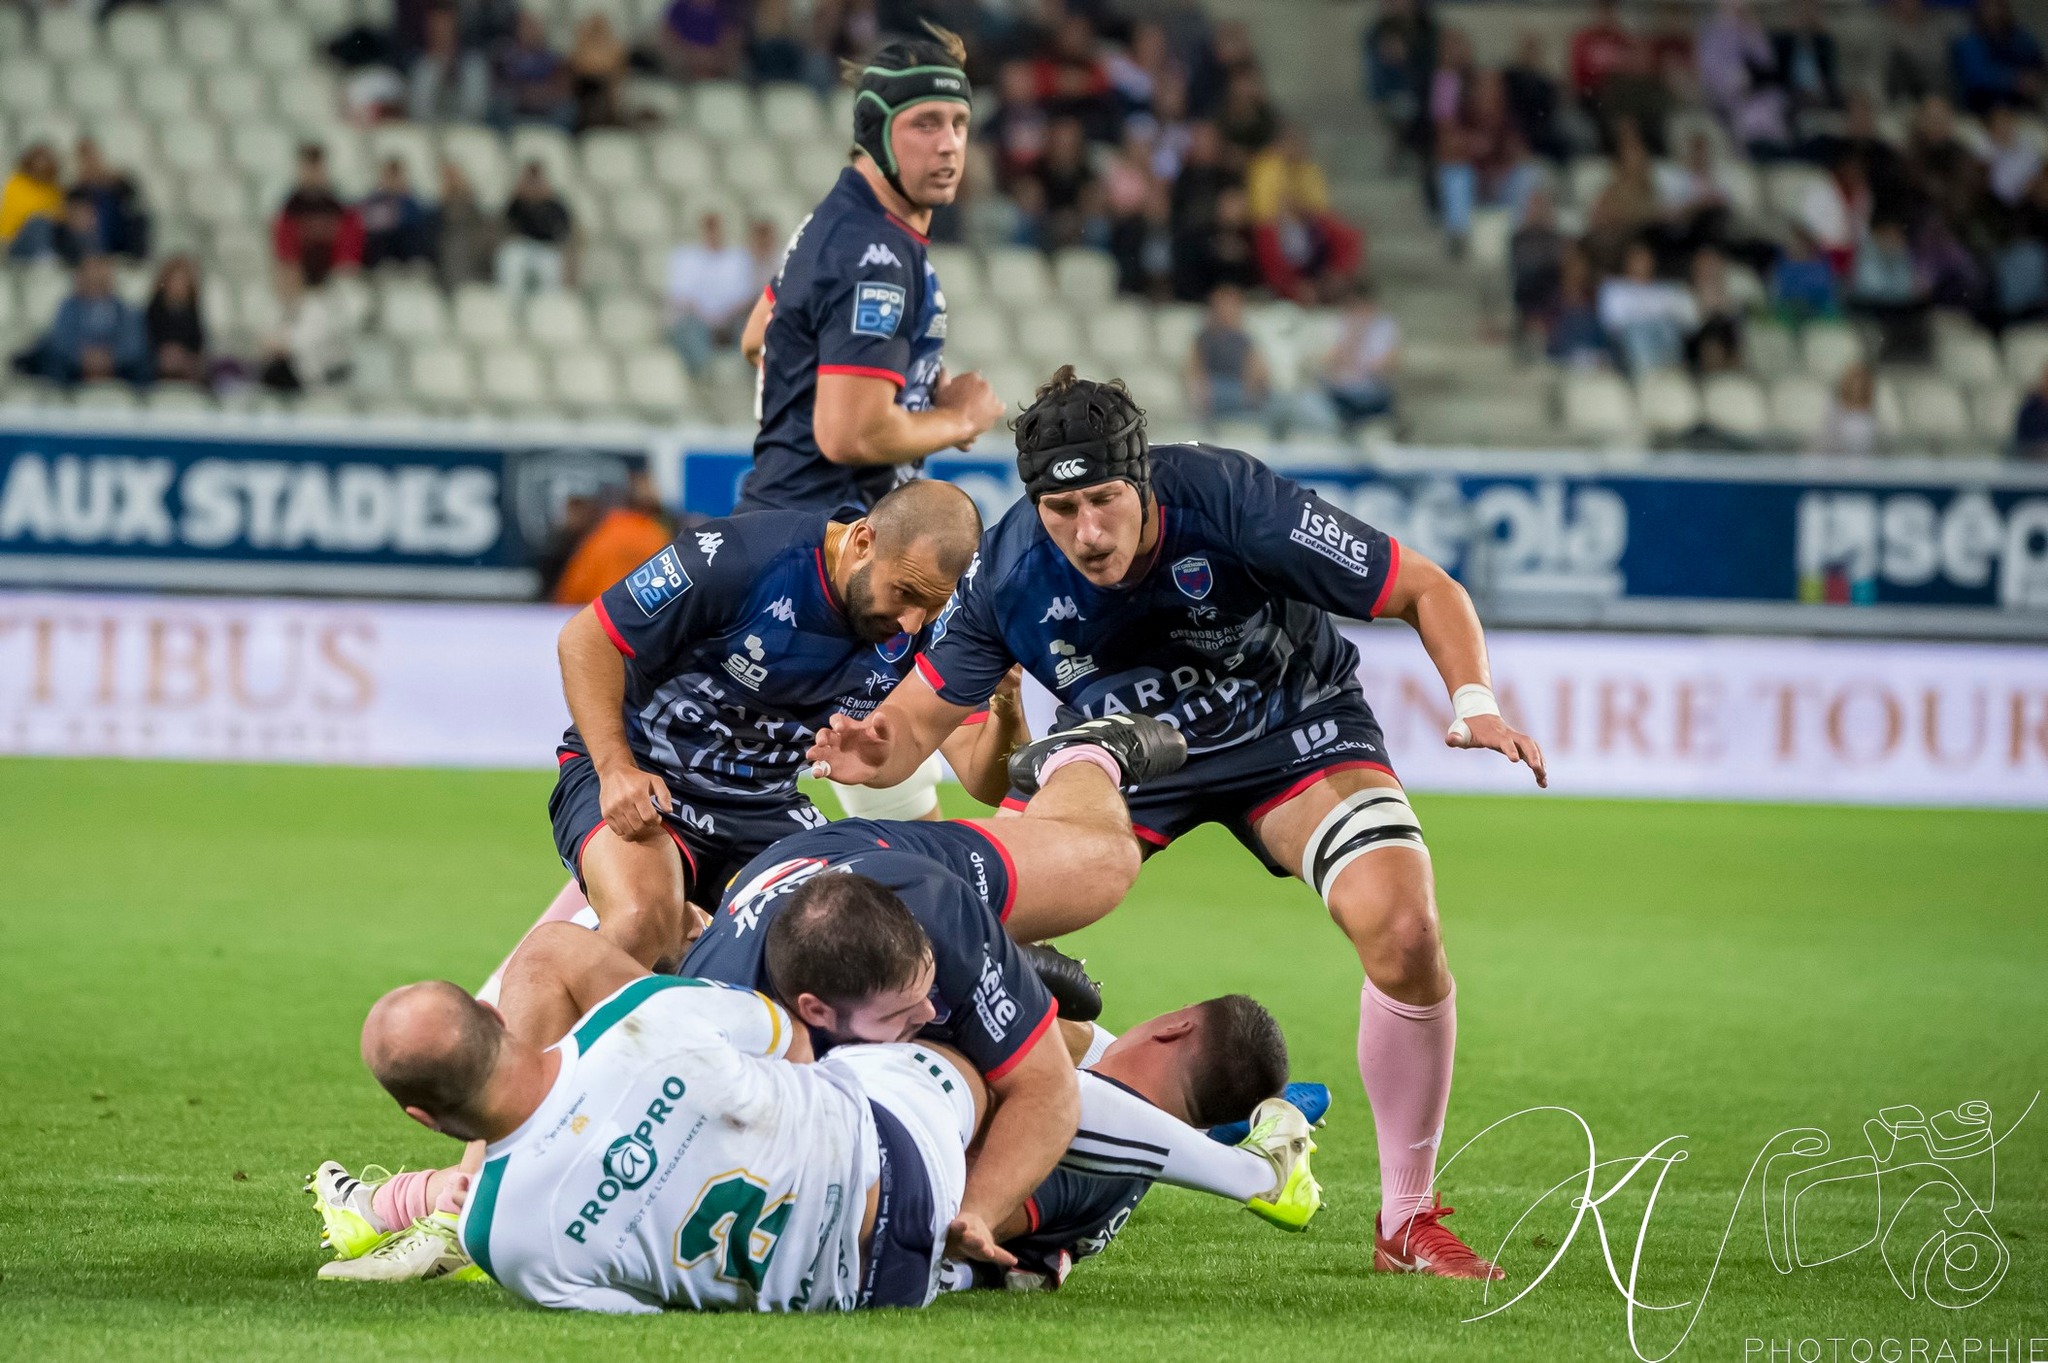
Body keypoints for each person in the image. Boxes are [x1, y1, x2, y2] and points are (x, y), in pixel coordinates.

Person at [810, 366, 1548, 1280]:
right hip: (1115, 754)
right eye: (1061, 506)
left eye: (1105, 500)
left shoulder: (1235, 500)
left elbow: (1425, 588)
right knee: (960, 919)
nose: (1086, 531)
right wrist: (862, 748)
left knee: (1405, 928)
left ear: (1143, 479)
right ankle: (882, 1131)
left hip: (1289, 728)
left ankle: (1406, 1219)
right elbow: (910, 727)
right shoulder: (1007, 569)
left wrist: (1474, 700)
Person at [530, 479, 1015, 979]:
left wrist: (1007, 705)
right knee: (642, 920)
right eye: (905, 593)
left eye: (932, 606)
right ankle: (559, 1033)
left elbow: (986, 781)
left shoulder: (939, 625)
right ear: (863, 542)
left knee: (853, 943)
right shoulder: (741, 557)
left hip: (763, 806)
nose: (913, 623)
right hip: (647, 778)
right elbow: (587, 638)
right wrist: (614, 768)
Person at [732, 24, 1004, 521]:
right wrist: (958, 419)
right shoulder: (874, 254)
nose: (949, 145)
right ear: (875, 131)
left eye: (959, 123)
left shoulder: (837, 220)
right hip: (825, 539)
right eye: (925, 123)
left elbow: (758, 338)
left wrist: (895, 389)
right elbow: (850, 434)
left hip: (786, 521)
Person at [958, 994, 1297, 1291]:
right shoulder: (1128, 1144)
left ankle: (1257, 1174)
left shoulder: (1084, 1133)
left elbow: (953, 1222)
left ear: (1175, 1026)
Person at [11, 255, 151, 388]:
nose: (96, 284)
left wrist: (111, 358)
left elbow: (133, 342)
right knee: (48, 355)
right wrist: (83, 357)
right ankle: (59, 403)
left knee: (144, 362)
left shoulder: (123, 309)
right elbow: (61, 339)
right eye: (92, 279)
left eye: (100, 280)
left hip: (116, 365)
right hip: (75, 365)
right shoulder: (69, 306)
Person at [664, 211, 762, 377]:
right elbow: (681, 296)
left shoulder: (738, 258)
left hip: (731, 321)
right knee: (689, 329)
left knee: (752, 328)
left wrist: (725, 316)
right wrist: (707, 316)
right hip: (697, 320)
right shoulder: (686, 257)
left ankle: (745, 375)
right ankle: (704, 374)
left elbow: (746, 296)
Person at [1598, 240, 1699, 375]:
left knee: (1666, 327)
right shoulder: (1615, 289)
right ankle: (1648, 376)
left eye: (1645, 258)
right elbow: (1613, 324)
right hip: (1630, 352)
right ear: (1626, 262)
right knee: (1638, 331)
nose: (1641, 263)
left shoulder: (1670, 289)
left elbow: (1692, 322)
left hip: (1668, 342)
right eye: (1636, 258)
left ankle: (1672, 374)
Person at [1186, 283, 1274, 428]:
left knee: (1273, 401)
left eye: (1231, 306)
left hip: (1240, 389)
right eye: (1222, 306)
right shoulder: (1204, 337)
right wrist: (1201, 388)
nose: (1227, 311)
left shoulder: (1245, 338)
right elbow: (1195, 367)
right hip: (1215, 389)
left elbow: (1257, 369)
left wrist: (1254, 387)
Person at [274, 146, 365, 287]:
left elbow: (351, 237)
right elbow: (286, 247)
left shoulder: (339, 205)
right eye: (308, 168)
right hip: (300, 276)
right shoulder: (291, 207)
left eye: (316, 168)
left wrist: (344, 263)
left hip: (334, 275)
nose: (313, 173)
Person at [258, 264, 354, 394]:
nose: (284, 286)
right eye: (280, 281)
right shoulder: (275, 308)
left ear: (299, 282)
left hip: (321, 375)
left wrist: (281, 345)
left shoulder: (316, 307)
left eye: (288, 281)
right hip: (290, 374)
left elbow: (302, 343)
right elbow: (265, 342)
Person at [1317, 285, 1401, 430]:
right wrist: (1352, 339)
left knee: (1382, 399)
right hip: (1339, 393)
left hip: (1372, 392)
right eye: (1355, 307)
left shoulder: (1385, 327)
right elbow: (1327, 364)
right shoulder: (1336, 325)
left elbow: (1388, 367)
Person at [1950, 0, 2044, 116]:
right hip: (1980, 112)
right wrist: (2015, 81)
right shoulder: (1968, 39)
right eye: (1988, 7)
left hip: (2020, 110)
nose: (1994, 13)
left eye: (1998, 6)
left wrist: (2034, 79)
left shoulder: (2020, 37)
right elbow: (1976, 75)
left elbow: (2038, 62)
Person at [496, 160, 574, 295]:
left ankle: (549, 304)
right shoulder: (517, 202)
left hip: (547, 248)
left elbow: (564, 228)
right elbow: (506, 222)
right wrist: (522, 198)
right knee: (511, 256)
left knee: (552, 266)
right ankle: (511, 299)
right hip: (522, 246)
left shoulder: (554, 203)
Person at [407, 4, 490, 124]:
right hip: (429, 132)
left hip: (466, 132)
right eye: (436, 29)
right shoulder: (422, 67)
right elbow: (418, 110)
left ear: (456, 29)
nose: (441, 34)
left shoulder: (474, 64)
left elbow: (476, 109)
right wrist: (435, 67)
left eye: (446, 28)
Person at [359, 158, 434, 269]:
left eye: (395, 176)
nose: (392, 182)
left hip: (406, 250)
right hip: (381, 252)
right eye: (389, 176)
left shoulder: (412, 204)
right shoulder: (373, 202)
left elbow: (416, 224)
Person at [144, 256, 207, 386]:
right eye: (176, 280)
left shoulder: (193, 313)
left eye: (183, 281)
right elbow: (145, 341)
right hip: (154, 367)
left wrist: (184, 357)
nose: (179, 286)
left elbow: (198, 345)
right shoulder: (153, 311)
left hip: (186, 369)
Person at [1, 145, 65, 261]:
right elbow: (21, 216)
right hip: (16, 242)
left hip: (50, 239)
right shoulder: (16, 183)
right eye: (39, 162)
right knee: (39, 222)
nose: (42, 167)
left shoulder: (54, 189)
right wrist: (48, 216)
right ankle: (42, 255)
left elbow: (60, 217)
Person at [1813, 362, 1879, 456]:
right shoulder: (1833, 412)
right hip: (1838, 462)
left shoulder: (1875, 413)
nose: (1857, 386)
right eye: (1854, 381)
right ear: (1846, 383)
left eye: (1861, 382)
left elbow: (1881, 443)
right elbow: (1825, 441)